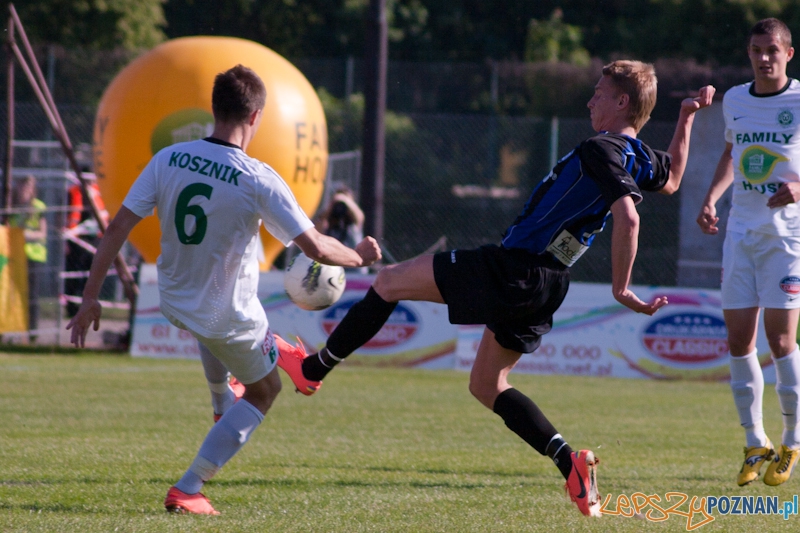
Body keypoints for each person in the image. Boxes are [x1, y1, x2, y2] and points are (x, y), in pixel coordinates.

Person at [277, 60, 715, 517]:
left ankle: (313, 370)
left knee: (387, 282)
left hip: (514, 269)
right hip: (549, 282)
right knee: (487, 384)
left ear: (622, 102)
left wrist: (622, 289)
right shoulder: (639, 156)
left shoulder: (600, 149)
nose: (590, 101)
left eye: (600, 93)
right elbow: (675, 177)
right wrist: (685, 117)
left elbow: (630, 216)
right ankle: (571, 463)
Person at [67, 64, 381, 515]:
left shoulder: (168, 159)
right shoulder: (258, 178)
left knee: (214, 328)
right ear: (255, 117)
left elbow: (117, 226)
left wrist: (90, 297)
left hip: (174, 299)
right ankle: (189, 487)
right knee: (264, 391)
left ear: (214, 108)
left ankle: (221, 401)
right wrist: (360, 257)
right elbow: (317, 247)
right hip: (225, 313)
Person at [697, 18, 800, 487]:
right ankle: (755, 442)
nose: (764, 58)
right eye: (757, 49)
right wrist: (711, 198)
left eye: (772, 50)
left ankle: (792, 442)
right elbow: (730, 154)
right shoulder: (735, 100)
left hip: (785, 238)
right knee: (739, 342)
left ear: (788, 54)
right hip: (740, 234)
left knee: (780, 343)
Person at [9, 174, 47, 340]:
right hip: (14, 257)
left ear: (32, 189)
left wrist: (25, 235)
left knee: (32, 296)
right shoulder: (12, 207)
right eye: (20, 186)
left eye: (26, 187)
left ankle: (33, 334)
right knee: (10, 294)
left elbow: (42, 233)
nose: (23, 190)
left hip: (33, 256)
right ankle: (8, 332)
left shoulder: (38, 207)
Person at [315, 186, 368, 273]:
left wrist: (344, 200)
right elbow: (318, 226)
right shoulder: (328, 222)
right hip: (332, 270)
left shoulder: (354, 223)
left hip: (353, 268)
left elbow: (359, 216)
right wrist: (331, 206)